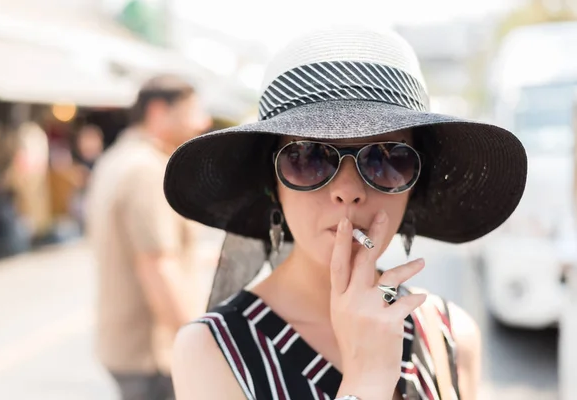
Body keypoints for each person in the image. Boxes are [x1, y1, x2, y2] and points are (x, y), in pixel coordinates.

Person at [164, 26, 528, 400]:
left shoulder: (448, 335)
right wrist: (365, 382)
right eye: (308, 158)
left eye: (387, 159)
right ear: (273, 183)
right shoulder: (212, 352)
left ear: (414, 183)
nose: (348, 192)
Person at [85, 74, 216, 400]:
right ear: (158, 112)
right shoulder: (148, 170)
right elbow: (157, 266)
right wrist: (201, 350)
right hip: (152, 353)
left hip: (122, 345)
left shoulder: (116, 158)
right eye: (192, 111)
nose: (203, 122)